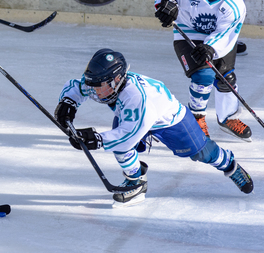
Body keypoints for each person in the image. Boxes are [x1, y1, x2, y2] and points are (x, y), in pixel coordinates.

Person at [54, 49, 253, 207]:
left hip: (171, 120)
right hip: (137, 118)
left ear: (116, 80)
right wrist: (68, 103)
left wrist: (95, 139)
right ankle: (136, 182)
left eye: (99, 86)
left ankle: (229, 164)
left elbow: (127, 136)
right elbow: (77, 86)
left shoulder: (137, 98)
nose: (94, 92)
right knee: (120, 142)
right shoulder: (108, 83)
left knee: (202, 152)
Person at [154, 0, 252, 141]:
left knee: (226, 78)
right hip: (187, 29)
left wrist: (211, 47)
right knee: (203, 76)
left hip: (220, 34)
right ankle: (196, 119)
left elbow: (225, 34)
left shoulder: (234, 5)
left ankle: (228, 117)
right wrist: (163, 4)